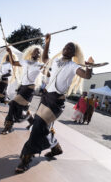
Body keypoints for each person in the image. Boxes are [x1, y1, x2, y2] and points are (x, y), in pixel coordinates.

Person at [15, 34, 94, 173]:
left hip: (56, 102)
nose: (66, 49)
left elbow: (86, 76)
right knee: (41, 126)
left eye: (70, 48)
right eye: (65, 47)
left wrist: (90, 67)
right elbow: (45, 59)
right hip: (46, 98)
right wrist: (48, 43)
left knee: (38, 127)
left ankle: (26, 158)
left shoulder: (73, 66)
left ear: (73, 53)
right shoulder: (56, 61)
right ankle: (55, 147)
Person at [1, 45, 46, 134]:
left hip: (29, 89)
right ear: (31, 52)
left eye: (39, 52)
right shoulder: (25, 62)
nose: (37, 53)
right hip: (22, 87)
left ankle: (8, 125)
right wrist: (10, 52)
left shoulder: (40, 65)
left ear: (40, 55)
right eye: (35, 51)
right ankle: (30, 118)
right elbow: (13, 63)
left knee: (13, 103)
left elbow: (46, 65)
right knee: (21, 107)